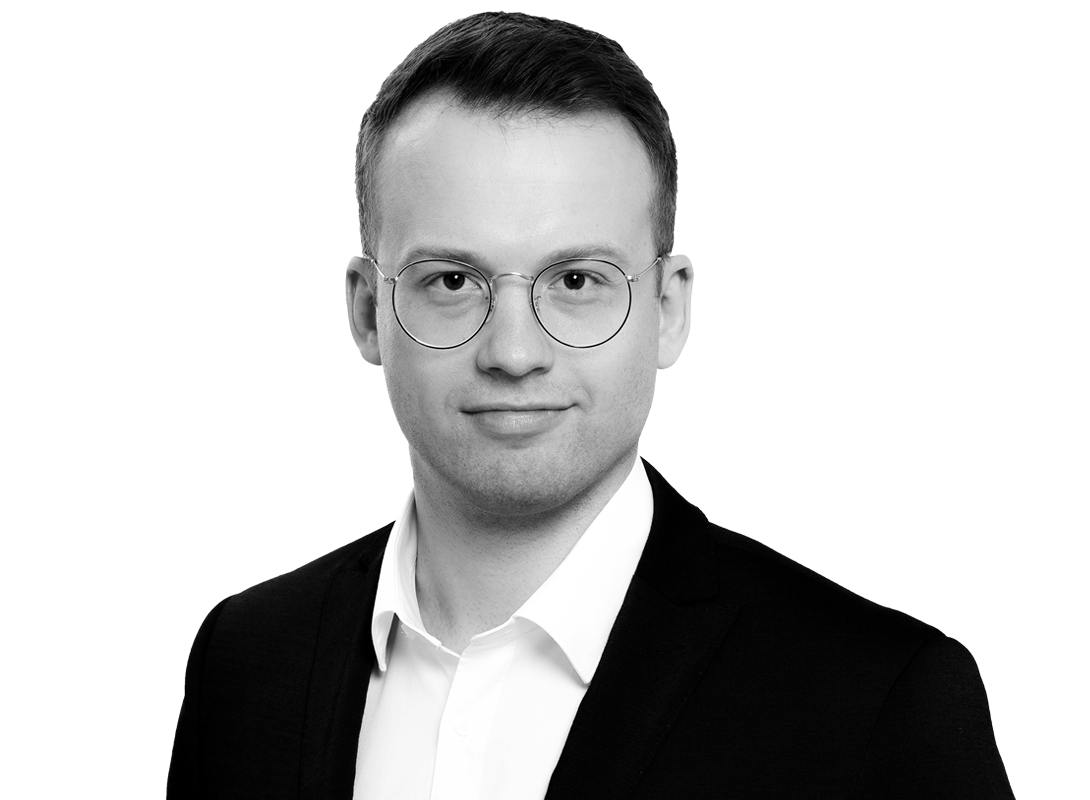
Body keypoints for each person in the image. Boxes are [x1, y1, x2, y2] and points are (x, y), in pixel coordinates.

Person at [167, 11, 1013, 799]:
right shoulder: (243, 665)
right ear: (366, 311)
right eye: (452, 281)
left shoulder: (878, 703)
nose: (514, 353)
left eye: (576, 281)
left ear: (668, 309)